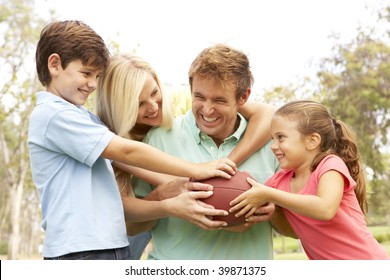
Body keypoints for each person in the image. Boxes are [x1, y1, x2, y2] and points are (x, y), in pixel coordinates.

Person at [28, 20, 237, 260]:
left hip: (109, 246)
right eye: (86, 74)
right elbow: (128, 153)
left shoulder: (81, 117)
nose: (93, 84)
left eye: (96, 76)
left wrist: (188, 190)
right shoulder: (53, 115)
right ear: (54, 64)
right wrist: (197, 170)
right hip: (81, 251)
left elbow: (132, 165)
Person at [95, 54, 276, 259]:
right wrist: (179, 199)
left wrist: (225, 167)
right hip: (137, 212)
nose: (154, 107)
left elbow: (268, 115)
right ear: (121, 109)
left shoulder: (187, 98)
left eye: (155, 92)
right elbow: (137, 209)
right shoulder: (114, 141)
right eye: (138, 104)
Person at [230, 100, 390, 260]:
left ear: (312, 141)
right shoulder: (277, 182)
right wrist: (223, 218)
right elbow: (250, 207)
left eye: (281, 138)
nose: (273, 146)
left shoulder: (330, 165)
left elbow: (325, 209)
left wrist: (268, 194)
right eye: (272, 138)